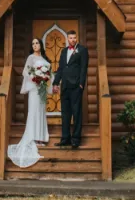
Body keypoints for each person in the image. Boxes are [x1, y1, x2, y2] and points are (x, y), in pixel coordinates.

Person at [6, 38, 51, 168]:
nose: (35, 45)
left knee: (41, 111)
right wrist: (35, 77)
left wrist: (45, 78)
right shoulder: (31, 58)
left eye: (37, 43)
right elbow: (25, 71)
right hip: (34, 88)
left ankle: (41, 137)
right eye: (33, 43)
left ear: (41, 45)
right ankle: (33, 136)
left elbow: (49, 74)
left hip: (42, 88)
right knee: (34, 111)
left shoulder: (45, 59)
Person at [51, 30, 88, 149]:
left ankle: (76, 139)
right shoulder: (64, 51)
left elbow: (83, 68)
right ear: (67, 39)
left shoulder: (82, 50)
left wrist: (81, 84)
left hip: (76, 86)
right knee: (65, 114)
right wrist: (56, 83)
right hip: (65, 86)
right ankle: (65, 138)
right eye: (70, 38)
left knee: (76, 113)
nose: (72, 40)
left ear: (76, 39)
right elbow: (61, 68)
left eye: (74, 38)